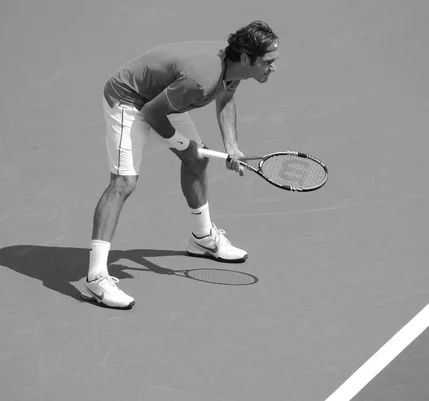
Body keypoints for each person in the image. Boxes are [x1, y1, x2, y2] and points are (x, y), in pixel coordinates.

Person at [79, 21, 279, 309]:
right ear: (247, 58)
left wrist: (232, 146)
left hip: (166, 97)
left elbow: (226, 97)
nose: (273, 68)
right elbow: (151, 112)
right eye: (268, 62)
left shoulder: (232, 67)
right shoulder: (201, 78)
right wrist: (184, 146)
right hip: (130, 100)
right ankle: (94, 279)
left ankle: (202, 238)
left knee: (197, 162)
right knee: (124, 182)